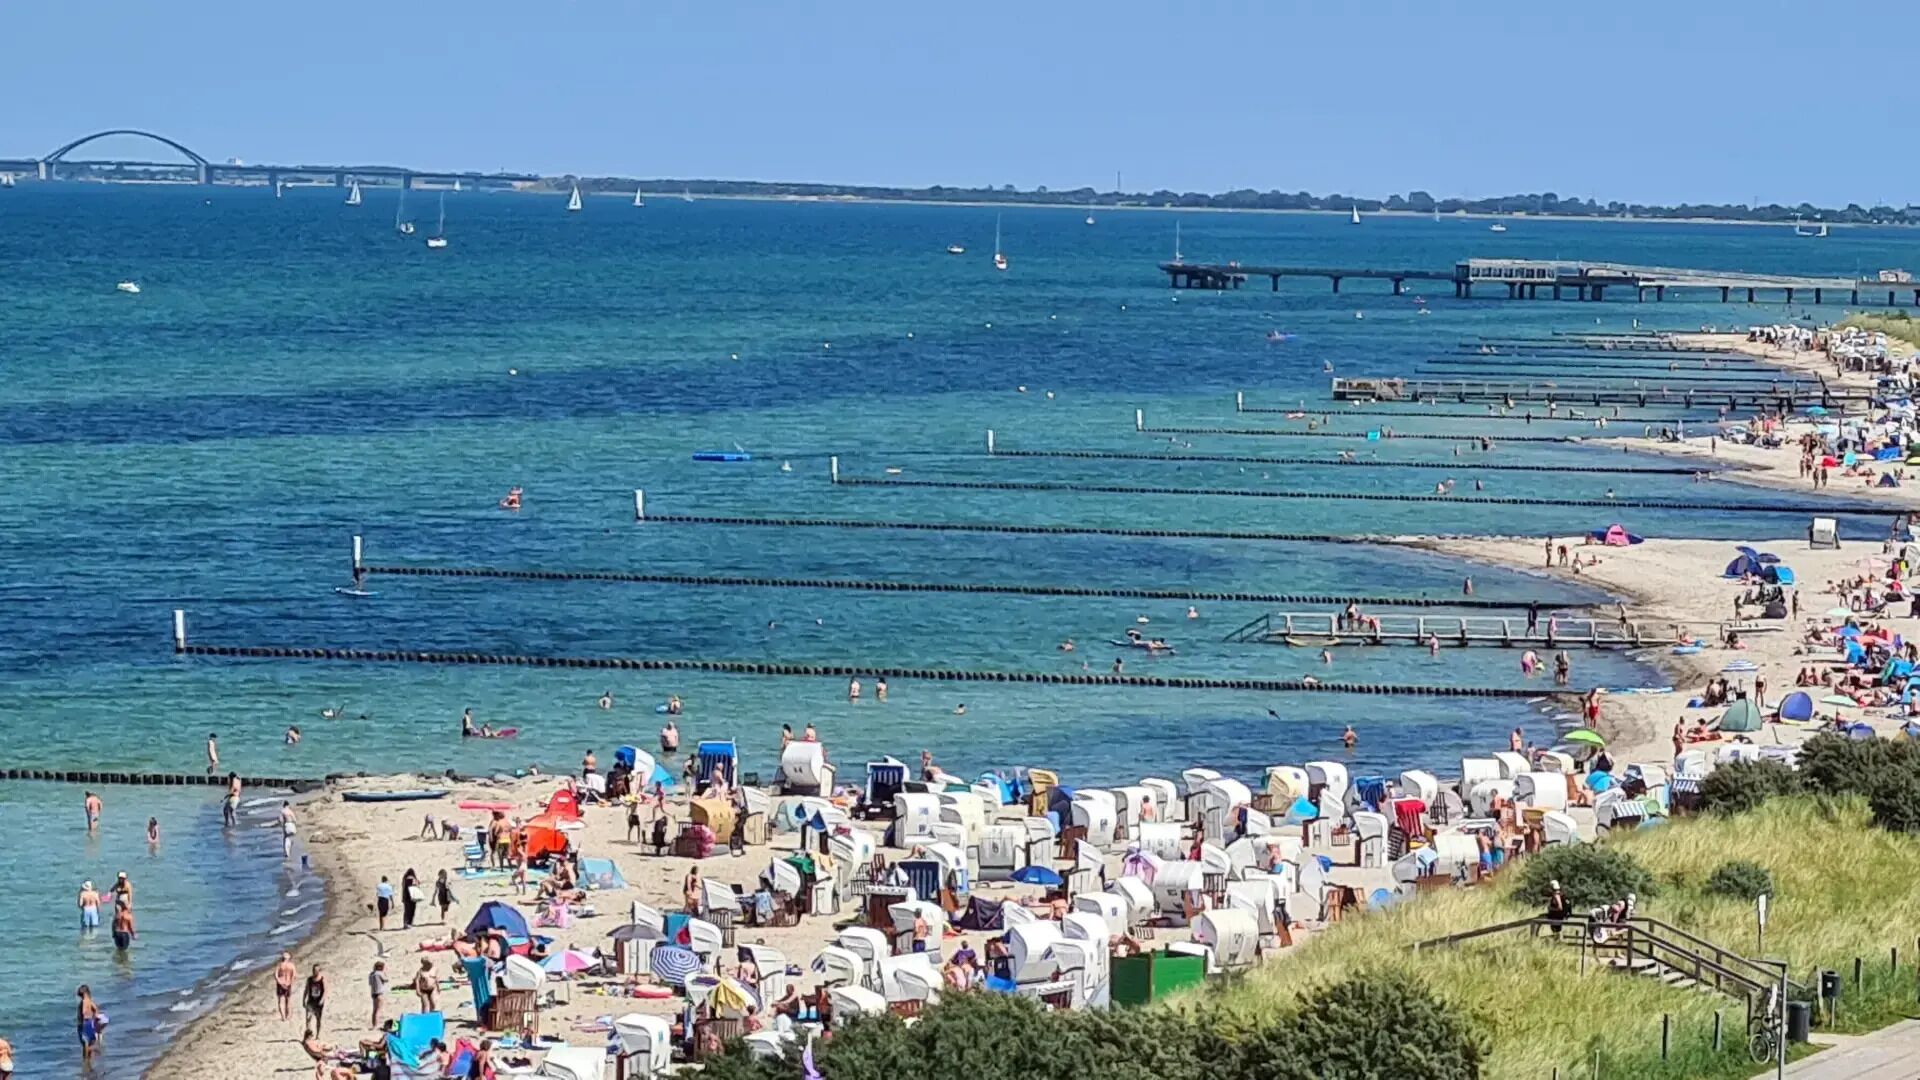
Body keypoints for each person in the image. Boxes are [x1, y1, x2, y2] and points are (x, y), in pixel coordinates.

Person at [76, 985, 102, 1066]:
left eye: (81, 995)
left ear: (84, 994)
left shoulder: (84, 1001)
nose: (81, 997)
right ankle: (89, 1060)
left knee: (85, 1044)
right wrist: (95, 1018)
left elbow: (83, 1012)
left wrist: (84, 1017)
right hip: (90, 1022)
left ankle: (86, 1061)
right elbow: (96, 1009)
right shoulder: (90, 1000)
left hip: (84, 1023)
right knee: (89, 1042)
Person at [302, 964, 327, 1036]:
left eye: (316, 970)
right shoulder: (309, 979)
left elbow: (325, 990)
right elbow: (306, 990)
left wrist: (322, 999)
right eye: (313, 970)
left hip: (318, 1002)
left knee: (318, 1019)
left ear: (319, 971)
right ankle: (309, 1033)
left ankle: (318, 1035)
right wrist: (303, 999)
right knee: (308, 1018)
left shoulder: (322, 979)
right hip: (310, 1001)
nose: (315, 972)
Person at [275, 952, 297, 1021]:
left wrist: (279, 982)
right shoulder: (291, 965)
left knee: (281, 1001)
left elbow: (276, 975)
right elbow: (294, 975)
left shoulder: (280, 965)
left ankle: (283, 1017)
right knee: (288, 1000)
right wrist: (291, 982)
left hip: (281, 983)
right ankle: (287, 1016)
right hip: (288, 983)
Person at [368, 961, 389, 1029]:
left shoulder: (371, 974)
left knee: (374, 1010)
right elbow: (386, 980)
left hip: (373, 993)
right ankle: (376, 1025)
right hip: (379, 993)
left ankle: (374, 1024)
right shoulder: (380, 974)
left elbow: (370, 984)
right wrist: (385, 973)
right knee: (378, 1010)